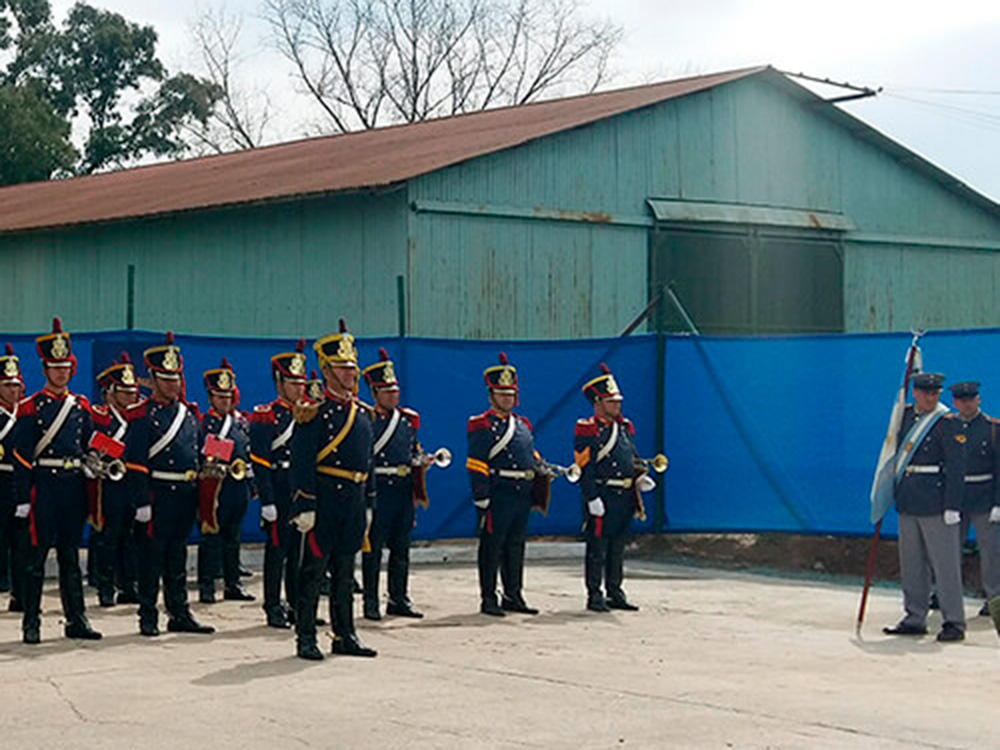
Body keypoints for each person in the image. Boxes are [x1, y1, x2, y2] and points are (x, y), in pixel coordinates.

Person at [290, 319, 377, 660]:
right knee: (313, 570)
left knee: (345, 571)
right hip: (324, 498)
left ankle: (345, 634)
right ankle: (306, 636)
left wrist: (368, 502)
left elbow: (366, 461)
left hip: (353, 500)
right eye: (342, 368)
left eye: (352, 367)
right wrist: (305, 503)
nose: (351, 374)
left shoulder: (362, 412)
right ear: (326, 370)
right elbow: (301, 459)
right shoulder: (314, 411)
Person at [12, 318, 102, 643]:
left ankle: (76, 619)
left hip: (73, 485)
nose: (61, 372)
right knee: (36, 560)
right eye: (55, 367)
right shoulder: (30, 407)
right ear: (45, 369)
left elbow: (91, 443)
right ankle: (31, 621)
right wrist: (24, 497)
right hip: (45, 487)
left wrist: (94, 465)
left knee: (70, 558)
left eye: (65, 367)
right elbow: (21, 456)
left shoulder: (80, 407)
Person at [133, 332, 215, 637]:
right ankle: (148, 614)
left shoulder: (189, 414)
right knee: (152, 558)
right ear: (152, 379)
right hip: (158, 494)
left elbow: (197, 452)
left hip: (185, 492)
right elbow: (135, 461)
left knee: (178, 556)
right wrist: (142, 501)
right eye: (166, 379)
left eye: (176, 378)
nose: (173, 384)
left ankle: (179, 611)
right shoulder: (142, 414)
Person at [883, 372, 967, 642]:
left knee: (946, 566)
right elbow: (890, 456)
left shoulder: (947, 422)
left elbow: (957, 468)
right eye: (926, 392)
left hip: (937, 502)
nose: (931, 397)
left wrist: (953, 505)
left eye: (935, 393)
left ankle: (954, 621)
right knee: (912, 563)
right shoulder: (903, 416)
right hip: (909, 499)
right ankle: (914, 617)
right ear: (915, 393)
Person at [466, 352, 542, 617]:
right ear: (491, 395)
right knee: (491, 546)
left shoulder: (522, 425)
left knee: (515, 545)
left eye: (511, 394)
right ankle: (489, 598)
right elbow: (476, 462)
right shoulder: (481, 424)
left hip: (521, 492)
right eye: (502, 394)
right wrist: (482, 497)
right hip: (498, 493)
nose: (507, 398)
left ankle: (514, 594)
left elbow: (529, 455)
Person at [361, 347, 427, 621]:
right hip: (379, 489)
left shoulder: (408, 420)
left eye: (395, 390)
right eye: (387, 391)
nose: (393, 395)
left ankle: (398, 598)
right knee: (373, 549)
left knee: (401, 548)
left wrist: (422, 460)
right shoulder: (366, 418)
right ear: (375, 393)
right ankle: (371, 601)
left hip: (402, 489)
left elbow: (412, 449)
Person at [575, 363, 646, 612]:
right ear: (597, 402)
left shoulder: (624, 428)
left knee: (617, 547)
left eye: (617, 401)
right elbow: (584, 466)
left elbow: (632, 458)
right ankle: (595, 595)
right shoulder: (588, 428)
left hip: (624, 496)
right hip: (602, 494)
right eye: (610, 401)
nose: (617, 405)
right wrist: (591, 497)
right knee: (597, 549)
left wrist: (640, 478)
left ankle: (615, 591)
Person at [250, 339, 308, 628]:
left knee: (298, 552)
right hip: (279, 487)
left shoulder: (308, 412)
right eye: (293, 383)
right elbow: (259, 461)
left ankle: (297, 604)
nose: (300, 388)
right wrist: (267, 500)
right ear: (279, 382)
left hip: (300, 491)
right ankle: (272, 605)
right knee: (277, 551)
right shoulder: (266, 415)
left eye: (301, 382)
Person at [197, 358, 255, 604]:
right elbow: (204, 451)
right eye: (220, 397)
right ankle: (207, 585)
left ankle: (233, 583)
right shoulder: (205, 423)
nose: (225, 401)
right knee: (211, 537)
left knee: (233, 537)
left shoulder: (241, 422)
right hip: (216, 486)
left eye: (228, 396)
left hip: (238, 485)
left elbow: (247, 452)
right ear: (211, 397)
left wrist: (252, 484)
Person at [89, 353, 142, 607]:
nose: (131, 396)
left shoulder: (139, 417)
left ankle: (129, 584)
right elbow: (91, 445)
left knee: (130, 537)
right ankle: (105, 585)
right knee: (108, 537)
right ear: (111, 392)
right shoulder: (101, 416)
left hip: (133, 482)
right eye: (125, 392)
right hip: (109, 485)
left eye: (133, 391)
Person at [947, 381, 1000, 616]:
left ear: (978, 400)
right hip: (954, 499)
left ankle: (994, 599)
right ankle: (946, 595)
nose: (967, 404)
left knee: (991, 553)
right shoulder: (947, 426)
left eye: (971, 399)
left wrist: (998, 502)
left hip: (984, 497)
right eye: (962, 400)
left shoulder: (992, 428)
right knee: (948, 551)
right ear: (955, 402)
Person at [0, 344, 26, 614]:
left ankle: (19, 594)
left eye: (16, 384)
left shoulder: (25, 414)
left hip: (19, 483)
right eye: (7, 385)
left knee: (21, 543)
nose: (13, 390)